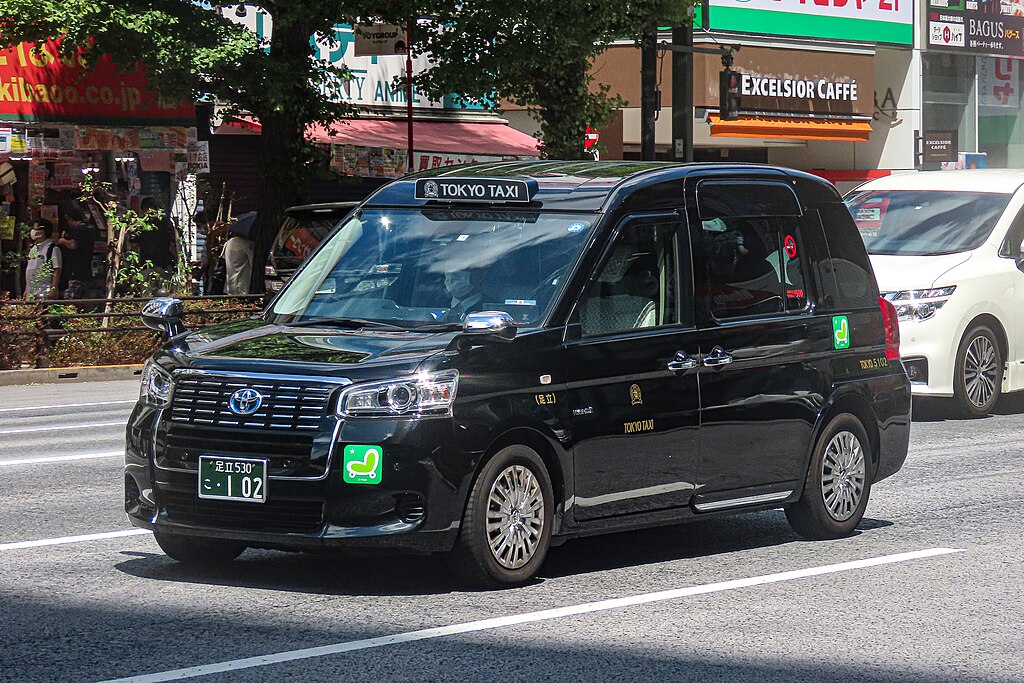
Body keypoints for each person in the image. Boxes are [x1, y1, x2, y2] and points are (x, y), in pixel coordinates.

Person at [55, 202, 96, 299]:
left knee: (72, 298)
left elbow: (73, 245)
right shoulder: (90, 229)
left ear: (71, 219)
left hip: (77, 271)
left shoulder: (80, 230)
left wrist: (62, 241)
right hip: (86, 270)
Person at [24, 219, 62, 300]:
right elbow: (29, 269)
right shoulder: (32, 248)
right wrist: (26, 289)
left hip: (45, 291)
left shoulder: (52, 249)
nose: (32, 231)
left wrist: (53, 289)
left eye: (35, 229)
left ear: (42, 232)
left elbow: (57, 269)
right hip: (30, 292)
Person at [222, 226, 254, 295]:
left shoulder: (227, 243)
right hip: (242, 283)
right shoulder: (247, 244)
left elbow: (223, 257)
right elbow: (253, 263)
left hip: (229, 283)